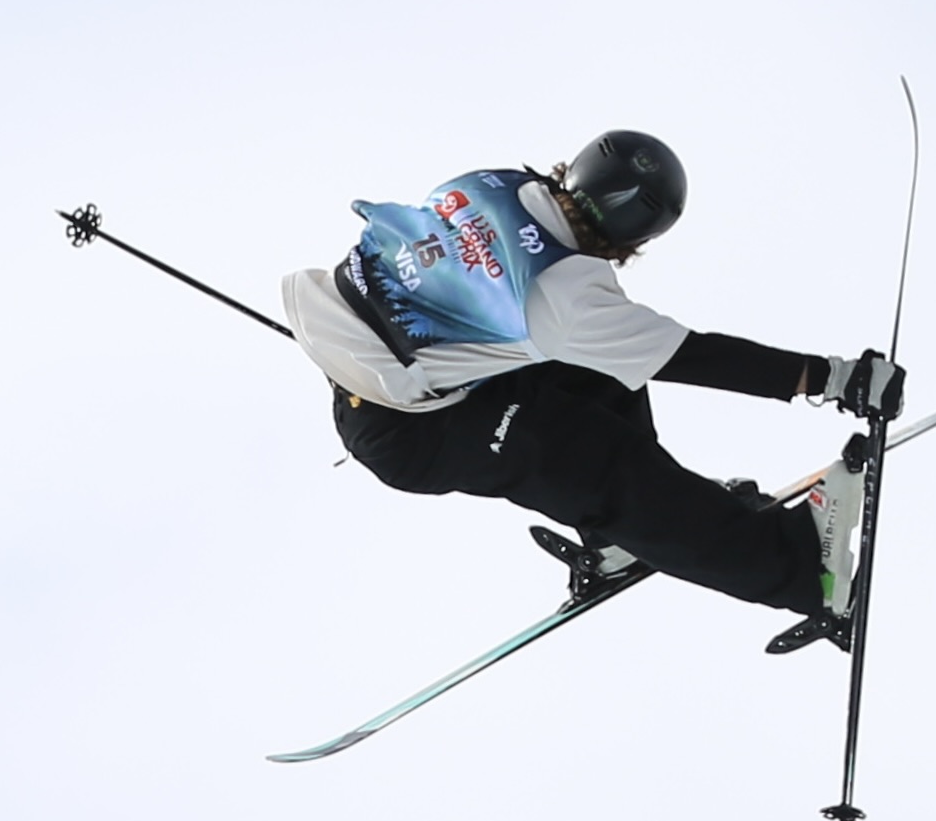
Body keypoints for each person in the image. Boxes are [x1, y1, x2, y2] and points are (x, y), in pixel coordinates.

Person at [280, 131, 903, 628]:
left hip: (382, 369)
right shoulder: (567, 297)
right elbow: (693, 356)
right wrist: (833, 379)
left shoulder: (497, 184)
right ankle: (802, 574)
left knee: (606, 370)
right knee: (593, 459)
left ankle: (616, 541)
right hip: (413, 435)